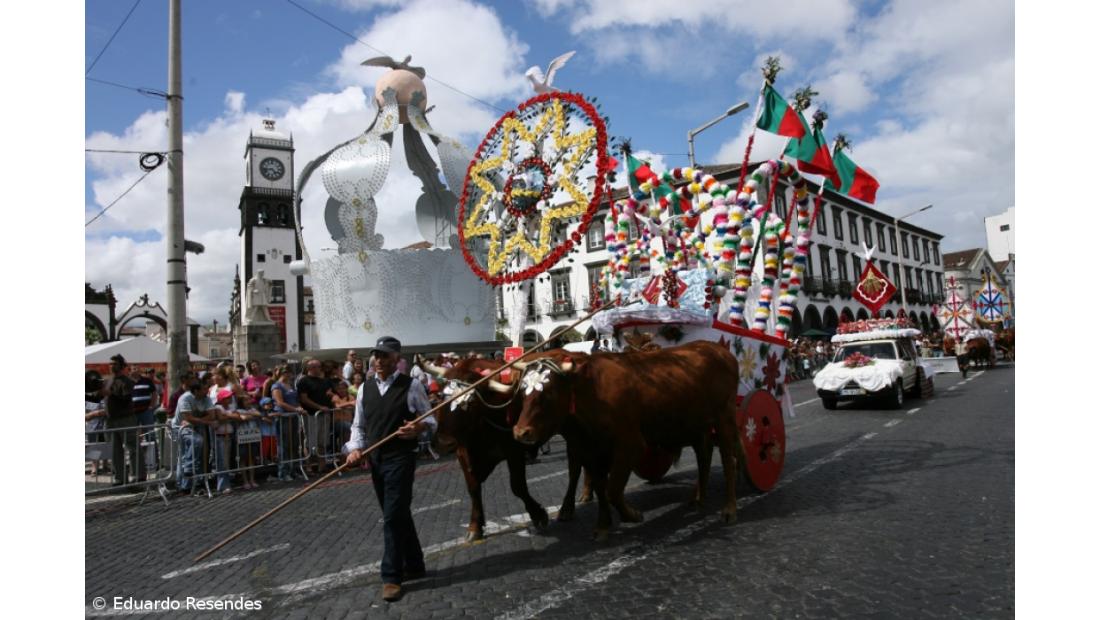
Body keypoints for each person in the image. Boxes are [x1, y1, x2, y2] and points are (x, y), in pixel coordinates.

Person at [344, 336, 435, 603]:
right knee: (396, 513)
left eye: (385, 355)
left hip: (401, 458)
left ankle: (392, 576)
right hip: (376, 460)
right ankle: (415, 563)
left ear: (397, 359)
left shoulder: (412, 385)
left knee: (392, 516)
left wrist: (417, 428)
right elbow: (358, 425)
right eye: (376, 355)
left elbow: (430, 419)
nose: (379, 360)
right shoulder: (365, 388)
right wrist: (354, 449)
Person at [106, 355, 144, 487]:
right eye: (110, 364)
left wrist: (110, 394)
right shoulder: (108, 380)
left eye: (115, 364)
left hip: (125, 419)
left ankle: (138, 476)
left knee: (133, 448)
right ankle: (120, 478)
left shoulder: (127, 381)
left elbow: (126, 399)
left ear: (122, 366)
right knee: (114, 450)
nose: (111, 366)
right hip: (111, 420)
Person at [271, 365, 308, 481]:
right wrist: (296, 409)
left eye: (289, 372)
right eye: (286, 372)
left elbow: (295, 400)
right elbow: (280, 402)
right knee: (284, 446)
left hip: (293, 417)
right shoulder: (276, 386)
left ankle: (294, 470)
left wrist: (299, 408)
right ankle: (283, 472)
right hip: (283, 417)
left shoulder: (291, 385)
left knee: (294, 444)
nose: (288, 374)